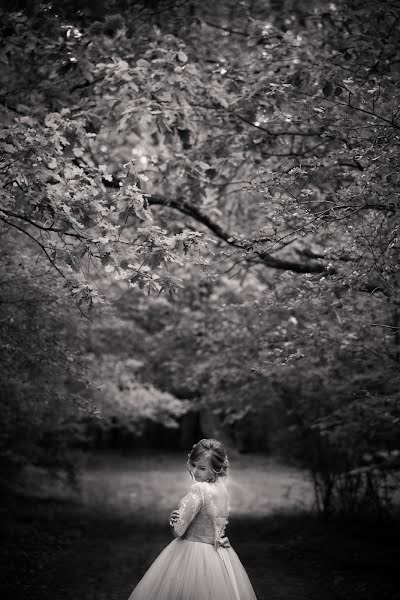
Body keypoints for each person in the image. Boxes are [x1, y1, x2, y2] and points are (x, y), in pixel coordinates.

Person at [127, 438, 257, 600]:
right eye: (193, 465)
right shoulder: (222, 490)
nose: (195, 472)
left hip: (193, 552)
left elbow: (178, 532)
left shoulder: (199, 489)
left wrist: (175, 520)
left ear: (216, 469)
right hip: (220, 555)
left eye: (202, 468)